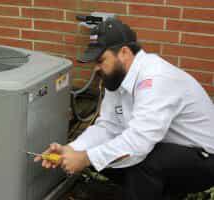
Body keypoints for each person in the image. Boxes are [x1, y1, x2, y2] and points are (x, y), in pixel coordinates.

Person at [35, 18, 214, 200]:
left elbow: (139, 142)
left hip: (205, 159)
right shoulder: (117, 78)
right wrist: (71, 150)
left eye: (101, 60)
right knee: (103, 154)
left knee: (145, 160)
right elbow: (108, 127)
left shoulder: (155, 78)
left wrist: (86, 157)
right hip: (168, 150)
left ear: (124, 52)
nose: (96, 68)